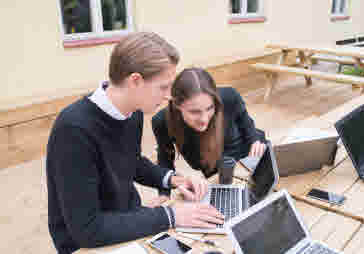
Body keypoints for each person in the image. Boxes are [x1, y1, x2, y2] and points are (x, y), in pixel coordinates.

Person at [46, 32, 224, 254]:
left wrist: (173, 180)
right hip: (88, 244)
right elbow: (87, 229)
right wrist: (171, 215)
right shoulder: (73, 130)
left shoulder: (133, 112)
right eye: (163, 87)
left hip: (127, 219)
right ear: (136, 81)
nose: (169, 96)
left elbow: (130, 160)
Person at [152, 67, 267, 197]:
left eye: (210, 108)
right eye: (194, 112)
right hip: (216, 172)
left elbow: (246, 123)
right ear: (177, 105)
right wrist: (163, 194)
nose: (204, 119)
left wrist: (255, 141)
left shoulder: (230, 96)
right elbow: (165, 158)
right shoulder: (161, 121)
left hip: (248, 161)